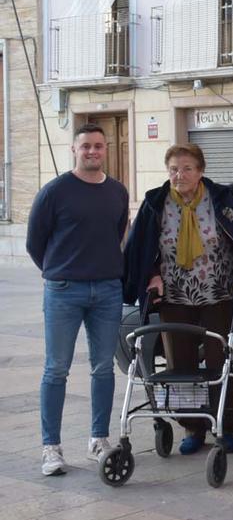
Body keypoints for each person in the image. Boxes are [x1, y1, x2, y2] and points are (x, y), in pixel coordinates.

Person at [124, 143, 233, 456]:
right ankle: (192, 428)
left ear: (200, 171)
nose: (180, 175)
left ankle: (225, 427)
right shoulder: (155, 203)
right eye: (174, 169)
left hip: (219, 292)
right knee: (180, 364)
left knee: (219, 360)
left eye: (187, 168)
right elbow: (141, 248)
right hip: (173, 295)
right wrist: (151, 276)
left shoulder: (221, 199)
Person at [27, 124, 129, 476]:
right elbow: (34, 243)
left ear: (106, 150)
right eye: (85, 146)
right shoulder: (54, 192)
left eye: (98, 146)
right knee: (56, 369)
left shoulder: (117, 191)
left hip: (107, 291)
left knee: (103, 367)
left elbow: (117, 234)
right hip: (64, 291)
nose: (92, 152)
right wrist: (59, 271)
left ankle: (98, 439)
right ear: (74, 149)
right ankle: (51, 448)